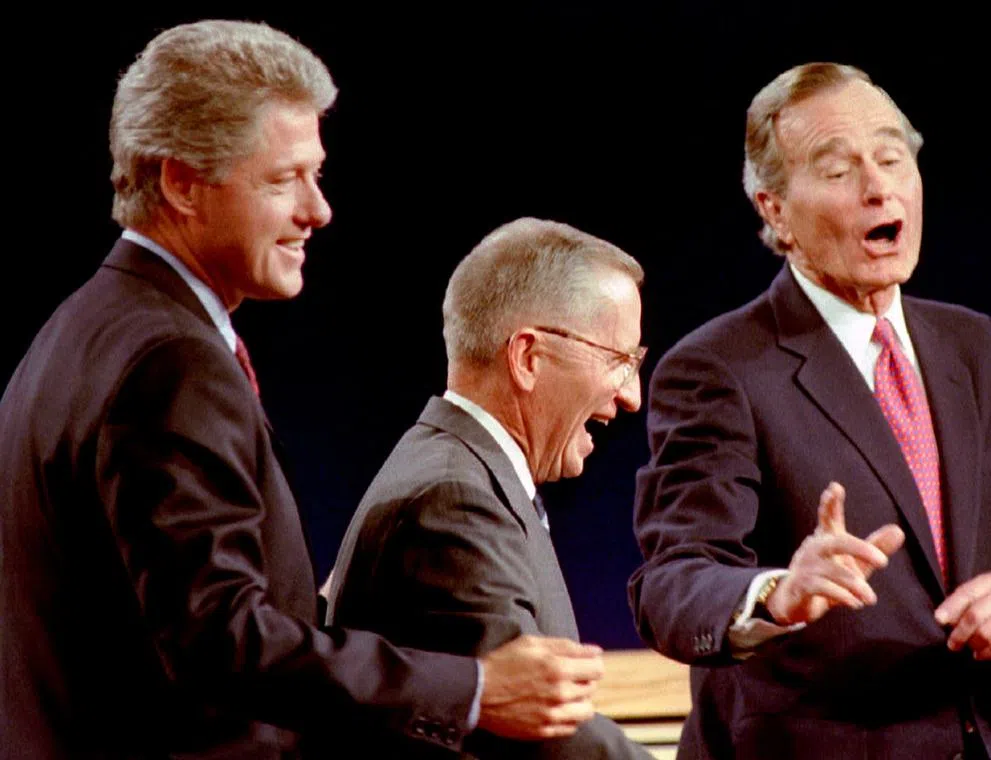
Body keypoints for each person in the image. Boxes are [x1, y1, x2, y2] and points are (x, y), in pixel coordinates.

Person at [0, 21, 603, 759]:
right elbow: (217, 637)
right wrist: (473, 688)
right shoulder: (169, 361)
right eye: (284, 179)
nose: (318, 210)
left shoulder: (82, 328)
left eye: (316, 175)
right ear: (181, 183)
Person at [627, 62, 991, 760]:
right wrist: (776, 593)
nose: (878, 186)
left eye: (893, 157)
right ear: (773, 209)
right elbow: (673, 580)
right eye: (837, 170)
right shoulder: (720, 367)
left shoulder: (976, 347)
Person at [323, 217, 654, 759]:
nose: (632, 396)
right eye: (620, 360)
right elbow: (539, 731)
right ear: (528, 357)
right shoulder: (454, 501)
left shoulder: (463, 472)